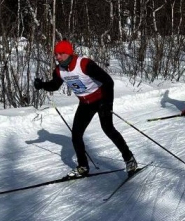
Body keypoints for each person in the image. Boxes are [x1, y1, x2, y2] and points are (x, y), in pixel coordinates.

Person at [34, 39, 137, 177]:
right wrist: (42, 85)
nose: (57, 57)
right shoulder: (59, 70)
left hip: (101, 98)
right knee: (76, 135)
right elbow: (55, 85)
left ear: (69, 53)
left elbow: (108, 81)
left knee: (108, 128)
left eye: (60, 54)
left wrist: (106, 104)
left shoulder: (84, 64)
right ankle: (83, 166)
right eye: (56, 54)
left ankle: (129, 158)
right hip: (85, 103)